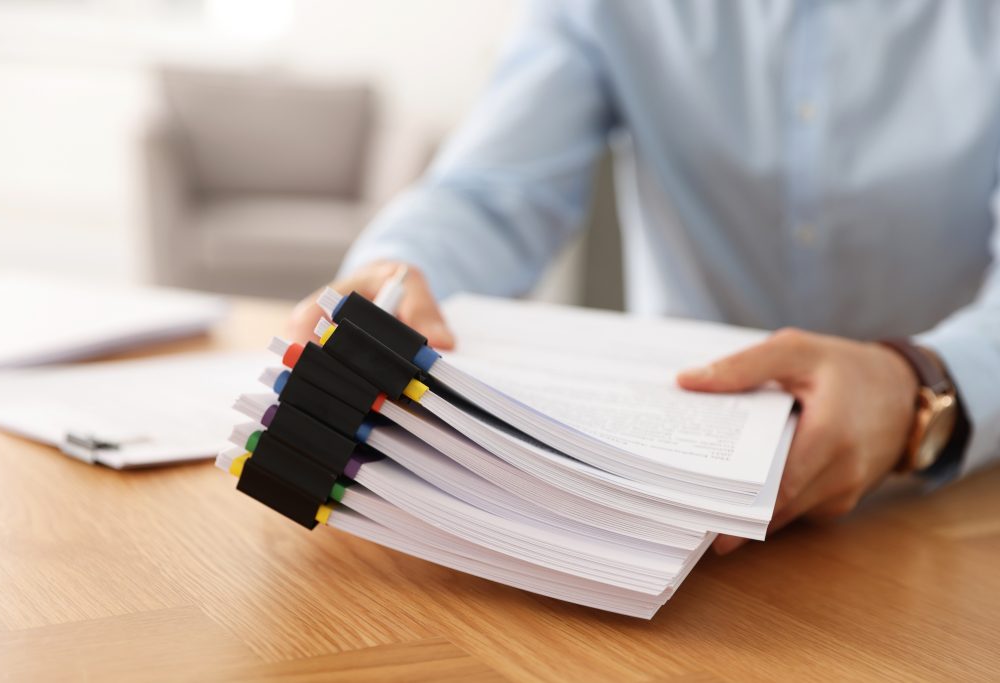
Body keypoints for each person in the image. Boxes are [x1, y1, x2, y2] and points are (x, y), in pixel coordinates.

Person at [289, 2, 1000, 553]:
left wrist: (919, 382)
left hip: (951, 497)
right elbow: (494, 193)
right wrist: (396, 269)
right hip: (667, 497)